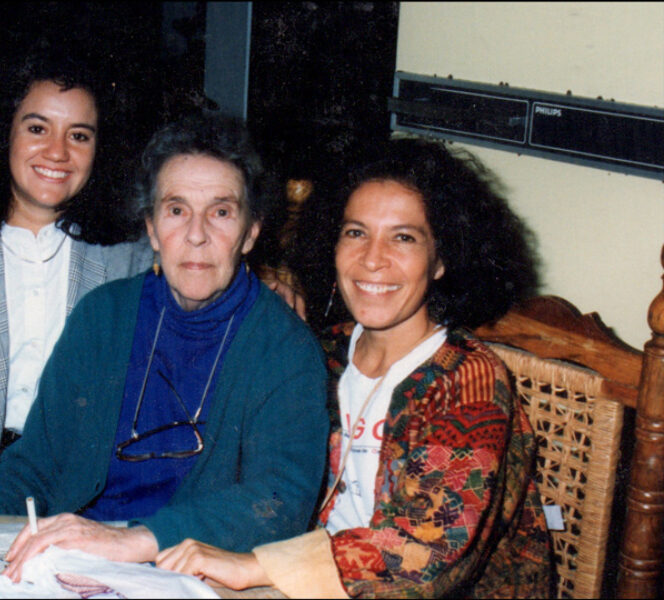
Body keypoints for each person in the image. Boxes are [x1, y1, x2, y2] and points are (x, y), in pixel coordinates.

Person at [0, 45, 305, 517]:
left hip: (67, 503)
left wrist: (271, 278)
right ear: (0, 133)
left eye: (80, 135)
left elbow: (203, 248)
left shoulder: (128, 249)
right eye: (37, 128)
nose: (57, 152)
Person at [156, 137, 554, 598]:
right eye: (355, 232)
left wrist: (255, 566)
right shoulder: (319, 352)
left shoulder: (467, 380)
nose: (372, 259)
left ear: (442, 258)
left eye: (403, 237)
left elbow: (425, 553)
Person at [0, 114, 329, 582]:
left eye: (221, 212)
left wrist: (129, 542)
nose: (196, 234)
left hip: (186, 573)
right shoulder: (104, 315)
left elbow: (279, 502)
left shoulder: (285, 349)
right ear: (150, 228)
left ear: (251, 232)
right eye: (176, 210)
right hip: (71, 562)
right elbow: (37, 465)